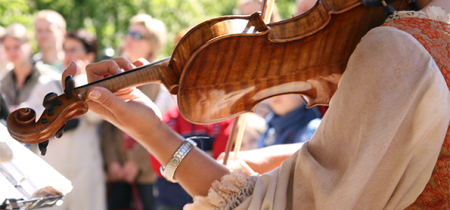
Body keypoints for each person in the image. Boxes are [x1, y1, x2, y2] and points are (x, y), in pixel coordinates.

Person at [63, 0, 450, 209]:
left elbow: (287, 207)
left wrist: (150, 132)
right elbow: (401, 157)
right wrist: (261, 164)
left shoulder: (398, 49)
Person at [101, 14, 172, 210]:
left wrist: (136, 162)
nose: (129, 38)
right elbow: (106, 125)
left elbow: (162, 123)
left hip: (148, 171)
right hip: (116, 171)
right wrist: (112, 161)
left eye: (137, 35)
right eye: (129, 33)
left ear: (152, 44)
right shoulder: (115, 75)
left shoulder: (161, 77)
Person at [40, 29, 105, 210]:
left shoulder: (96, 84)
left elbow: (94, 117)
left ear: (90, 55)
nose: (67, 55)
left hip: (84, 167)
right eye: (65, 49)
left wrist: (82, 80)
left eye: (73, 50)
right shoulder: (47, 82)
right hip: (52, 165)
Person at [150, 106, 232, 210]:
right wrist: (206, 158)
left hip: (209, 202)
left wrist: (173, 158)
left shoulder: (221, 120)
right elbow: (156, 164)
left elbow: (224, 160)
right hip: (170, 201)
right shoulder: (167, 119)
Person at [257, 94, 321, 148]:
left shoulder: (316, 129)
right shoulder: (267, 128)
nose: (275, 93)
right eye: (270, 87)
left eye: (284, 86)